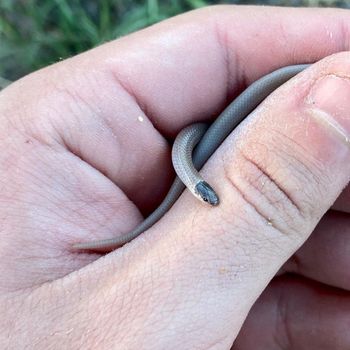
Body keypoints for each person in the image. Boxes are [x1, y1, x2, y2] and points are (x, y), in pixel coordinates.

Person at [0, 5, 349, 349]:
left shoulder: (188, 160)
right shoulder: (188, 163)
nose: (211, 201)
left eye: (207, 197)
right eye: (207, 197)